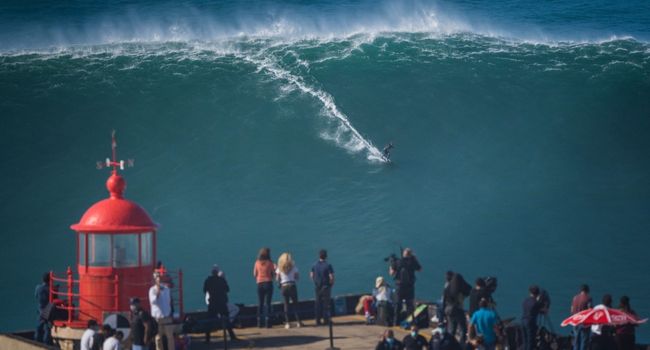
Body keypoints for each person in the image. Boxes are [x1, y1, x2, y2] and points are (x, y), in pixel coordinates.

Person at [203, 264, 238, 342]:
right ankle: (232, 336)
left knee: (209, 321)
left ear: (212, 272)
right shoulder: (222, 280)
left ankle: (207, 339)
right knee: (226, 319)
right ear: (217, 272)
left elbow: (205, 290)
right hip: (221, 303)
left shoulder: (208, 280)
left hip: (212, 303)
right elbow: (227, 289)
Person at [389, 248, 421, 325]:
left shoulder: (397, 262)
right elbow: (420, 269)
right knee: (410, 306)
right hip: (410, 287)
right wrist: (415, 259)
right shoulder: (412, 262)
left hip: (399, 286)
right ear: (411, 255)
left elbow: (391, 273)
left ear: (403, 254)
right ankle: (410, 322)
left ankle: (395, 322)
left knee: (398, 304)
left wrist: (391, 266)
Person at [276, 252, 303, 329]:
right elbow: (297, 278)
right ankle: (298, 322)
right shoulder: (293, 267)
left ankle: (287, 323)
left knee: (286, 305)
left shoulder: (279, 268)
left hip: (284, 286)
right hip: (292, 285)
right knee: (295, 304)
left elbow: (277, 279)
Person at [149, 271, 175, 350]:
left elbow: (169, 301)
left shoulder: (166, 289)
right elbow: (153, 301)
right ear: (154, 280)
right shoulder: (152, 290)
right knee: (158, 338)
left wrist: (171, 312)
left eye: (160, 278)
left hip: (167, 316)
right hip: (157, 318)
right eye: (157, 278)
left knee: (170, 337)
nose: (159, 280)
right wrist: (158, 291)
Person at [442, 270, 470, 344]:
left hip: (448, 309)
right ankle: (461, 344)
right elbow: (467, 291)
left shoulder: (446, 287)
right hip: (457, 309)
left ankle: (449, 344)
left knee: (452, 329)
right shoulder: (457, 288)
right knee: (463, 328)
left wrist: (442, 313)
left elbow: (443, 300)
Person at [310, 249, 335, 325]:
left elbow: (311, 275)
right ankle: (326, 320)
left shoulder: (314, 265)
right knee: (326, 304)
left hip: (317, 287)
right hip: (326, 287)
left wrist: (315, 281)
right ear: (326, 256)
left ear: (319, 256)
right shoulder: (328, 265)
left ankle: (317, 321)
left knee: (318, 304)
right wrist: (331, 284)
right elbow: (331, 277)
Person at [253, 247, 275, 328]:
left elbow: (254, 274)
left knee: (260, 303)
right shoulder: (270, 263)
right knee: (268, 303)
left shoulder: (257, 262)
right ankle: (268, 322)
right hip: (268, 283)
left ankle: (259, 322)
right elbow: (273, 273)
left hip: (259, 284)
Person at [570, 284, 592, 350]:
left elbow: (571, 310)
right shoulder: (588, 298)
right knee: (584, 342)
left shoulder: (575, 298)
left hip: (575, 322)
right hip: (584, 323)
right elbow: (590, 310)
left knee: (576, 341)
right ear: (587, 290)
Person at [521, 285, 543, 350]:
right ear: (538, 294)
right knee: (530, 341)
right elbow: (544, 310)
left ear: (530, 293)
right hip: (530, 323)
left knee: (525, 341)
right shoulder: (536, 303)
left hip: (523, 321)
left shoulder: (525, 301)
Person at [34, 272, 51, 345]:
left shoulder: (38, 287)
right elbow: (53, 299)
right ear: (50, 280)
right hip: (48, 309)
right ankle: (46, 343)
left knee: (39, 326)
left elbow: (35, 296)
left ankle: (37, 341)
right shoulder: (50, 289)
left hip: (40, 308)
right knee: (47, 328)